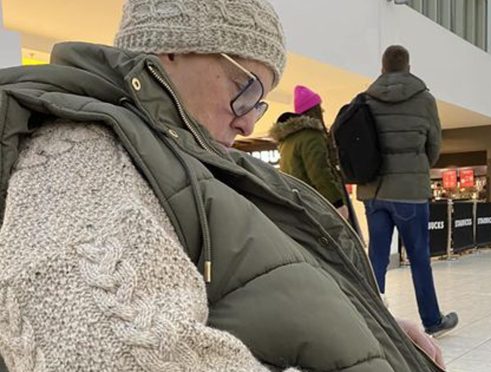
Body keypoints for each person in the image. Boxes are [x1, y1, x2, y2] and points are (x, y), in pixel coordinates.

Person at [0, 1, 444, 371]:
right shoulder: (79, 156)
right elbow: (110, 349)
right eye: (244, 86)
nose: (250, 118)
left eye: (260, 98)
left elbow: (262, 283)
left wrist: (372, 325)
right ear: (172, 48)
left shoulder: (182, 154)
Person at [357, 45, 458, 337]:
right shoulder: (424, 99)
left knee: (376, 256)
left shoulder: (367, 98)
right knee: (419, 257)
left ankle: (371, 319)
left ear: (382, 68)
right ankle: (432, 320)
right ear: (409, 67)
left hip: (374, 191)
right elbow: (434, 146)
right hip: (410, 193)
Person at [270, 87, 349, 220]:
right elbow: (319, 172)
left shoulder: (288, 139)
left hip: (300, 204)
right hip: (318, 206)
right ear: (315, 110)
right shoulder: (311, 136)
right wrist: (337, 203)